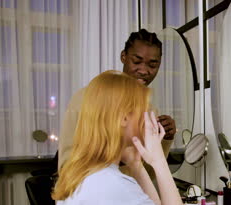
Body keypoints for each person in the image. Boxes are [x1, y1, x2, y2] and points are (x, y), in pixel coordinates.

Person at [45, 71, 189, 205]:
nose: (149, 117)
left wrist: (135, 164)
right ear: (123, 118)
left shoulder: (83, 170)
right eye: (143, 109)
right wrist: (158, 160)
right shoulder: (112, 185)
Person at [58, 29, 176, 170]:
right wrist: (118, 158)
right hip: (90, 190)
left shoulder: (150, 111)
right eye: (137, 61)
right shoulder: (85, 98)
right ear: (123, 57)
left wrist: (166, 140)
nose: (144, 70)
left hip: (132, 191)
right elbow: (66, 165)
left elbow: (151, 174)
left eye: (152, 65)